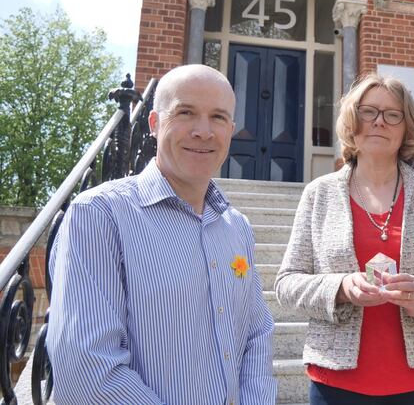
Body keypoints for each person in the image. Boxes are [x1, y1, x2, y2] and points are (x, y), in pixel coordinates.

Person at [46, 64, 278, 404]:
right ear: (154, 124)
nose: (203, 131)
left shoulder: (236, 226)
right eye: (185, 112)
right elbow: (87, 372)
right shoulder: (99, 216)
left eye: (217, 117)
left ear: (230, 130)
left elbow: (257, 335)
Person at [275, 73, 414, 405]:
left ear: (406, 128)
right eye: (368, 111)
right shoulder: (319, 194)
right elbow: (287, 283)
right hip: (337, 382)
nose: (379, 122)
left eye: (392, 114)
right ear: (352, 122)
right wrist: (341, 288)